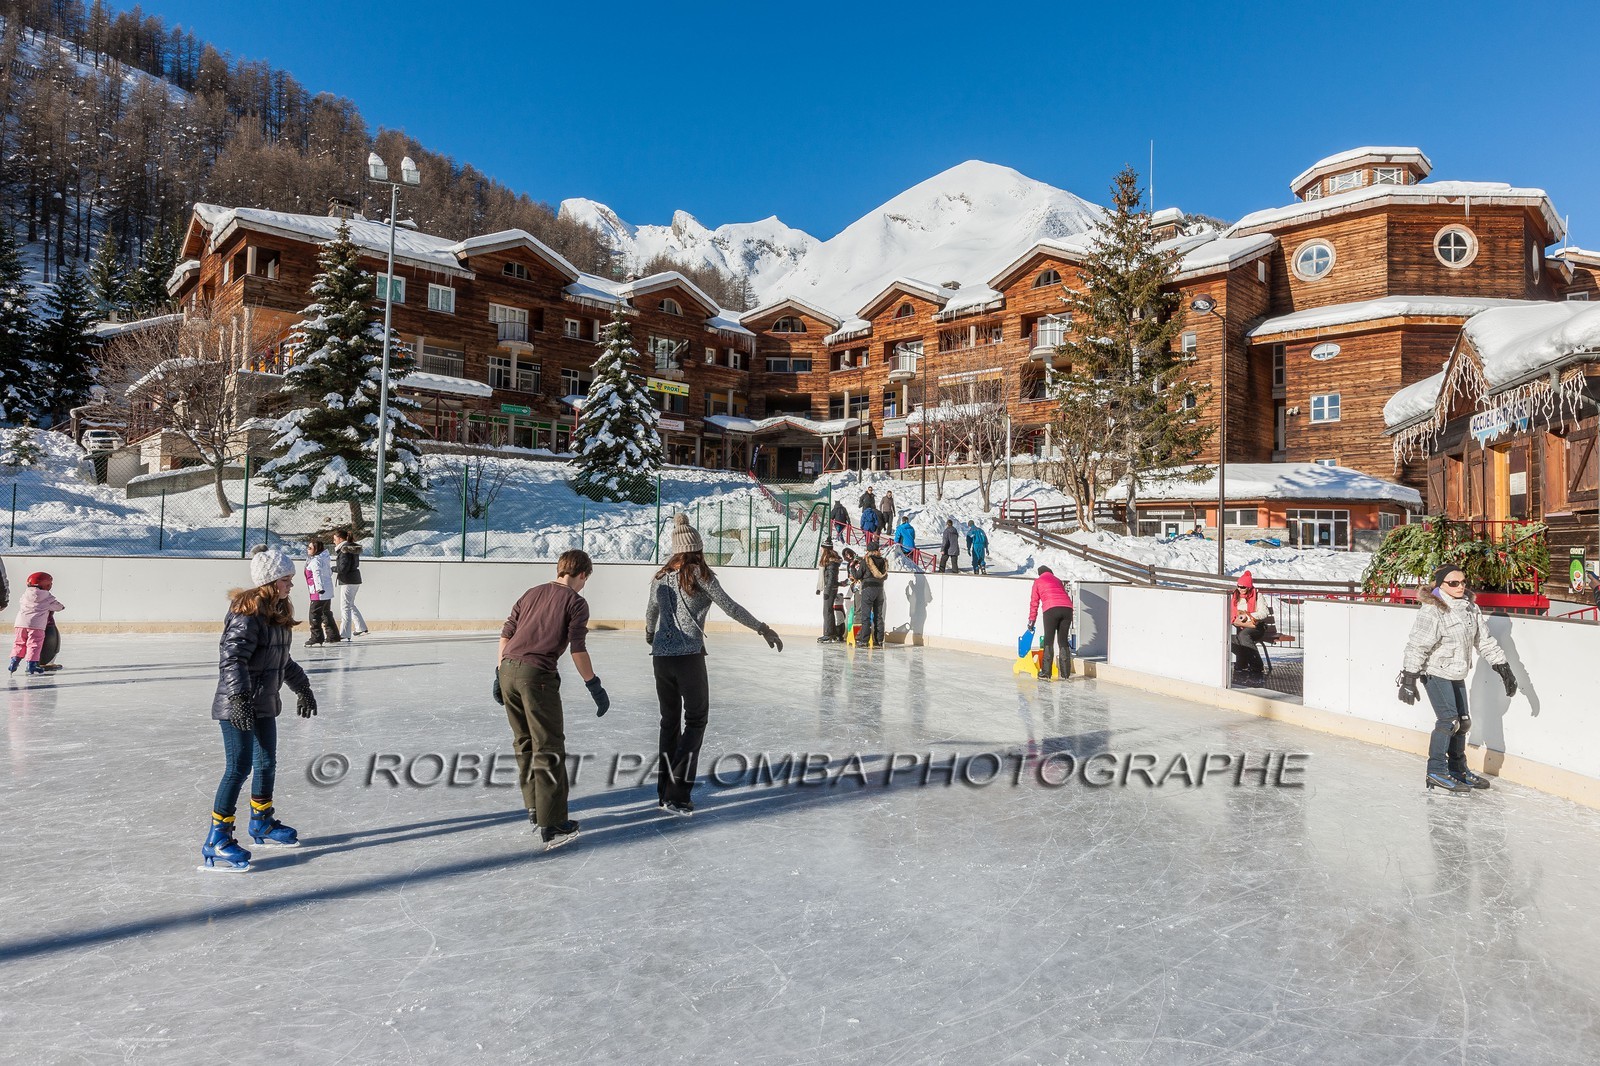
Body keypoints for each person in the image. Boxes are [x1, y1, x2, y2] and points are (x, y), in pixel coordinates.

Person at [647, 515, 782, 815]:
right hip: (688, 658)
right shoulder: (700, 574)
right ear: (697, 547)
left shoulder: (660, 577)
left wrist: (649, 634)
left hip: (660, 659)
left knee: (669, 722)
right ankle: (677, 794)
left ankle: (663, 791)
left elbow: (651, 611)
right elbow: (730, 607)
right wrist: (762, 628)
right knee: (696, 720)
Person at [200, 547, 319, 872]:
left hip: (264, 702)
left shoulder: (277, 613)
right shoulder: (248, 612)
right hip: (237, 704)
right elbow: (232, 659)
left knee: (266, 763)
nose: (291, 584)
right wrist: (239, 699)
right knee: (238, 768)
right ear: (270, 581)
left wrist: (303, 687)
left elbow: (282, 660)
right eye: (286, 579)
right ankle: (217, 838)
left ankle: (262, 822)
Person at [495, 549, 607, 851]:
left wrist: (499, 672)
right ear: (582, 574)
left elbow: (506, 634)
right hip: (537, 677)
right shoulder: (576, 602)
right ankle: (553, 823)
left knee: (524, 741)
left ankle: (535, 807)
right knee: (548, 746)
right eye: (586, 579)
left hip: (508, 670)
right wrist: (593, 685)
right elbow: (578, 649)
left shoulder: (531, 593)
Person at [1398, 564, 1519, 793]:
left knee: (1463, 722)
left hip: (1456, 671)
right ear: (1440, 585)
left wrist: (1504, 668)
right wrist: (1409, 679)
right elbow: (1417, 646)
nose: (1460, 586)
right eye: (1453, 583)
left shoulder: (1470, 608)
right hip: (1435, 672)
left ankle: (1457, 770)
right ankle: (1436, 771)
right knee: (1449, 721)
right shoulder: (1432, 610)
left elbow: (1484, 641)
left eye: (1463, 582)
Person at [11, 572, 64, 676]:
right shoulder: (47, 597)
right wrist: (62, 607)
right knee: (34, 644)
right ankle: (32, 665)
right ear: (47, 585)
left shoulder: (25, 595)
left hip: (20, 624)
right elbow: (58, 606)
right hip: (36, 626)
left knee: (19, 643)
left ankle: (14, 662)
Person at [1026, 565, 1074, 681]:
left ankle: (1046, 672)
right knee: (1063, 641)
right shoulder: (1057, 580)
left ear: (1040, 573)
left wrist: (1031, 621)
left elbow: (1034, 602)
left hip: (1051, 609)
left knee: (1049, 640)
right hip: (1067, 609)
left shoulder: (1038, 581)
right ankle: (1066, 674)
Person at [1229, 571, 1270, 681]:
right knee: (1229, 639)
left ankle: (1257, 665)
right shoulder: (1235, 596)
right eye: (1238, 586)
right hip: (1240, 627)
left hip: (1256, 626)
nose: (1240, 589)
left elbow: (1264, 612)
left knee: (1243, 636)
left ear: (1248, 587)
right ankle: (1243, 662)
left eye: (1242, 587)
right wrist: (1235, 618)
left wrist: (1248, 616)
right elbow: (1231, 612)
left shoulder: (1257, 596)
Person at [303, 539, 339, 646]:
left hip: (318, 592)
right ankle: (333, 635)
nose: (308, 549)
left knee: (314, 614)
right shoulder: (324, 559)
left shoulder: (315, 561)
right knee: (325, 613)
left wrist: (319, 588)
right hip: (326, 591)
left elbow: (316, 575)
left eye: (310, 548)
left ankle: (317, 637)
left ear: (316, 549)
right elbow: (329, 573)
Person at [332, 527, 367, 638]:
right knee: (350, 604)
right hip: (354, 579)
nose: (333, 541)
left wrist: (332, 569)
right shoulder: (350, 548)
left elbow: (343, 568)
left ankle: (344, 633)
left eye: (335, 539)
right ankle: (361, 627)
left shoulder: (345, 550)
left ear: (340, 539)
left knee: (345, 607)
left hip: (348, 580)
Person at [858, 543, 889, 646]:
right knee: (878, 616)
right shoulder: (883, 561)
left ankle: (864, 640)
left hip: (868, 589)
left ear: (868, 551)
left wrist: (853, 568)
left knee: (865, 616)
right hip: (880, 590)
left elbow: (858, 575)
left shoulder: (866, 561)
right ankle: (879, 640)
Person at [816, 546, 843, 643]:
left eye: (822, 548)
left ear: (826, 550)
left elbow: (831, 578)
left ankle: (828, 634)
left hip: (830, 589)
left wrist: (827, 590)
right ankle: (832, 633)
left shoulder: (831, 563)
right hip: (830, 588)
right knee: (828, 610)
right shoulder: (830, 562)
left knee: (827, 611)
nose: (821, 550)